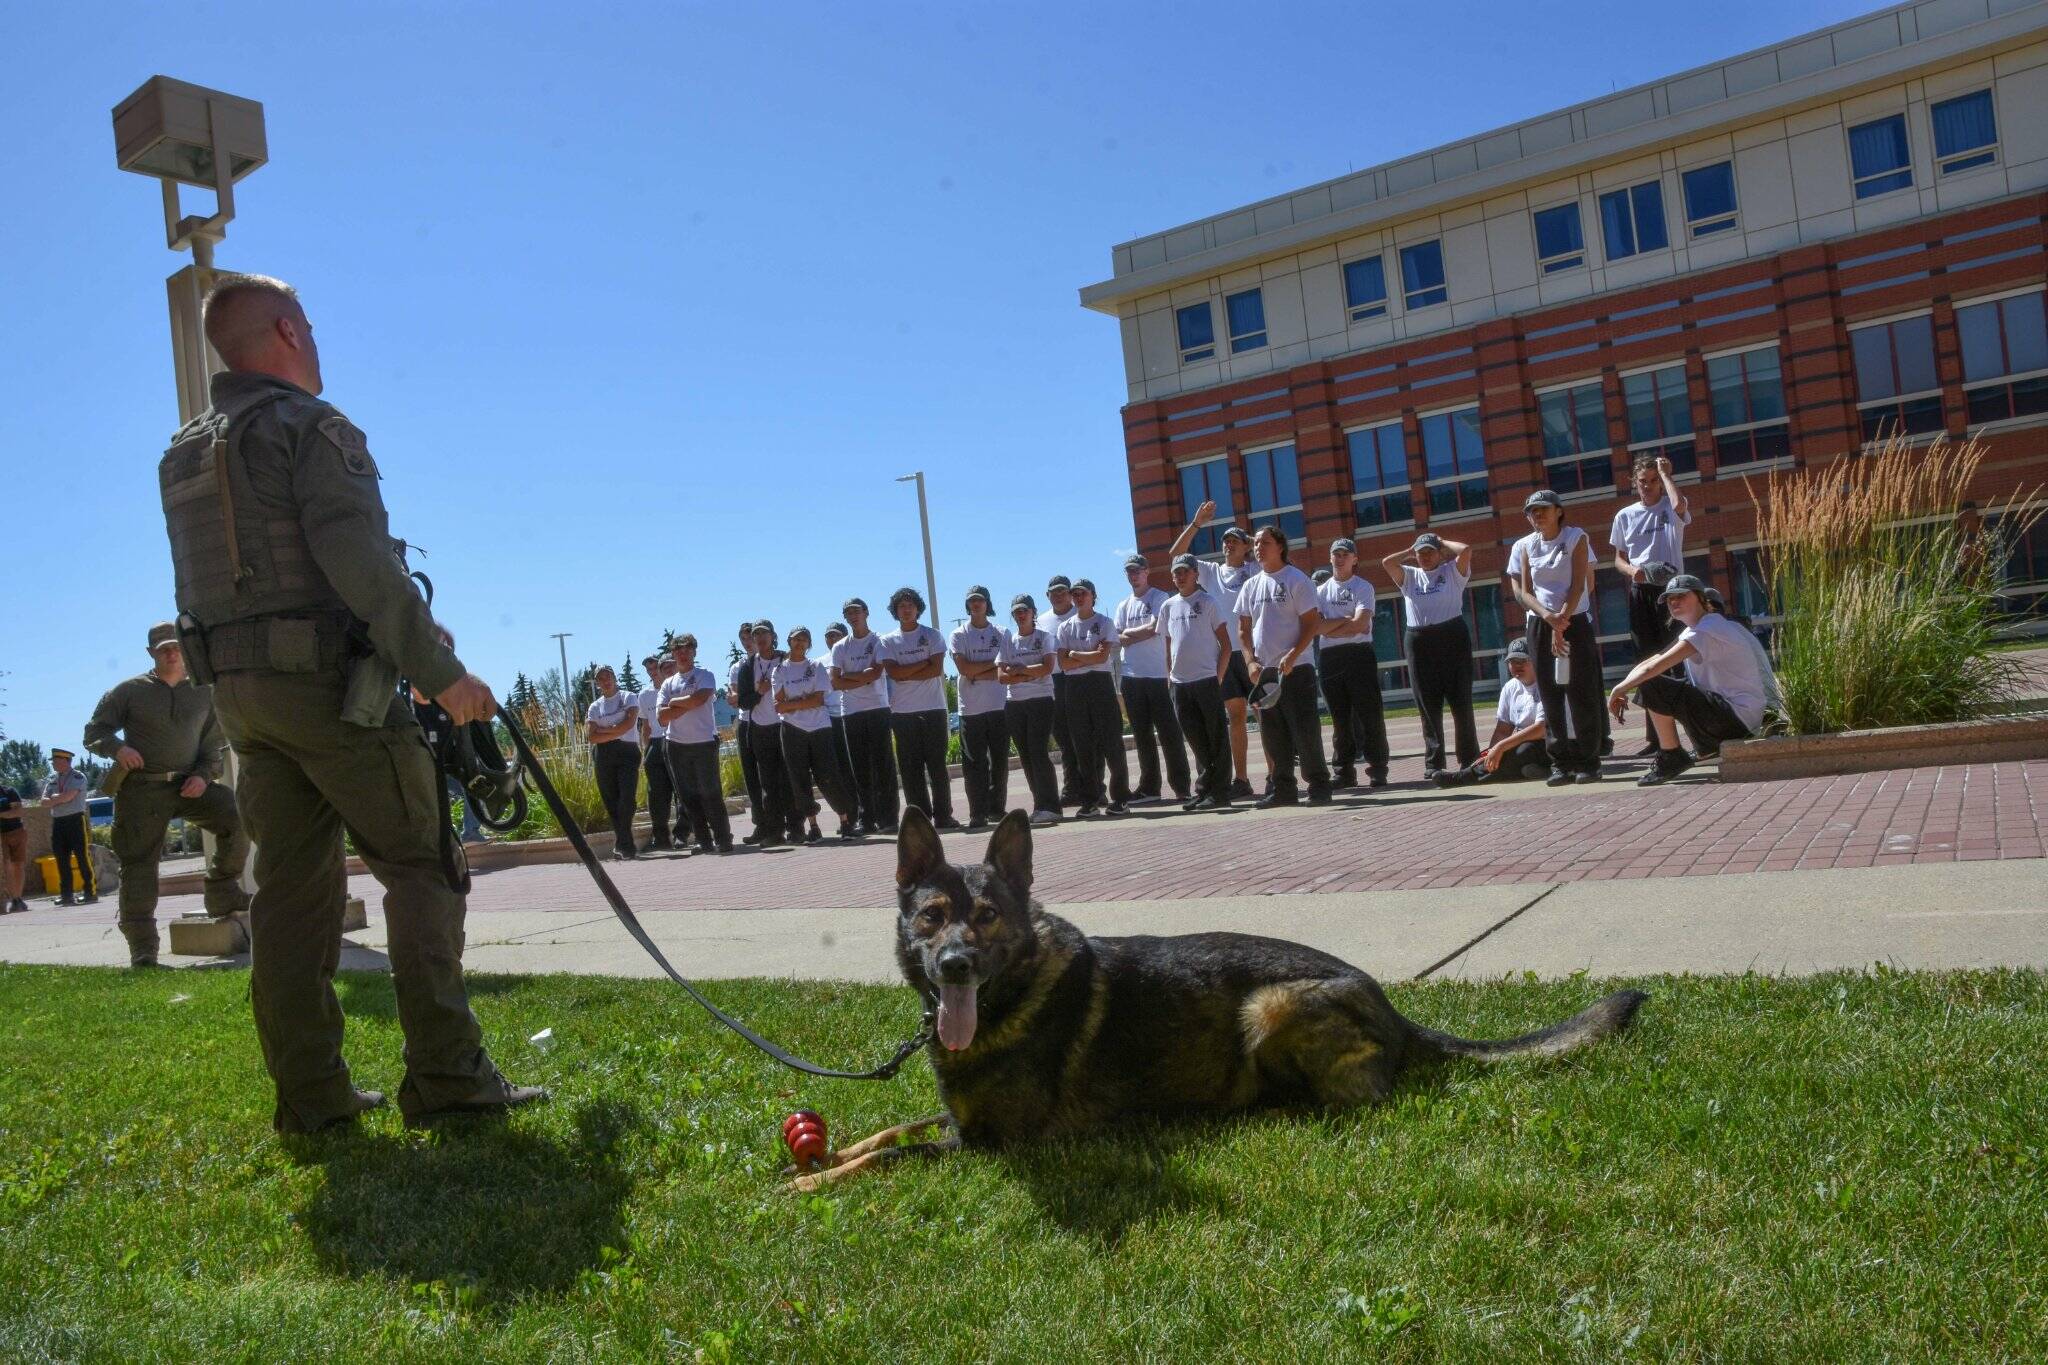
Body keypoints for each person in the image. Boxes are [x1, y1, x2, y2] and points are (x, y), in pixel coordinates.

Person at [161, 272, 538, 1130]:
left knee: (291, 895)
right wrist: (443, 674)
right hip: (334, 696)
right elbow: (359, 562)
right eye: (312, 325)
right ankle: (449, 1082)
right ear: (288, 330)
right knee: (421, 866)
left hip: (245, 708)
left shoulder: (184, 450)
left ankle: (313, 1096)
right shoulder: (311, 428)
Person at [83, 620, 251, 965]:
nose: (172, 652)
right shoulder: (129, 691)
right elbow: (95, 731)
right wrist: (117, 749)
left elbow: (213, 743)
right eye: (163, 649)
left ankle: (222, 893)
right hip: (142, 789)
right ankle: (143, 948)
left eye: (176, 646)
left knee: (240, 816)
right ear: (151, 653)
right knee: (139, 866)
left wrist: (204, 776)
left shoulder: (204, 690)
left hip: (189, 785)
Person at [1609, 574, 1780, 785]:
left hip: (1735, 720)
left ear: (1701, 598)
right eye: (1669, 599)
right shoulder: (1698, 628)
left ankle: (1671, 756)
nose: (1674, 602)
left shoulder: (1709, 628)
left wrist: (1619, 689)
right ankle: (1693, 750)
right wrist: (1623, 685)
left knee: (1652, 683)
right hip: (1734, 718)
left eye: (1681, 596)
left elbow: (1653, 668)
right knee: (1653, 680)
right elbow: (1652, 660)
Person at [1508, 489, 1603, 786]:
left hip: (1572, 619)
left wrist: (1561, 621)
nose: (1537, 515)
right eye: (1531, 511)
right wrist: (1548, 618)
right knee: (1549, 693)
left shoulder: (1576, 537)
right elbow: (1525, 591)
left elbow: (1579, 584)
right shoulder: (1524, 545)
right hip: (1541, 621)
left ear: (1558, 511)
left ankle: (1589, 761)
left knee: (1580, 691)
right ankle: (1560, 762)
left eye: (1543, 509)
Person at [1236, 527, 1333, 807]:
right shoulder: (1251, 585)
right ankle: (1283, 790)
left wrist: (1293, 655)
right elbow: (1243, 629)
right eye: (1255, 543)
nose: (1258, 547)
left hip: (1296, 669)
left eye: (1264, 542)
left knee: (1305, 732)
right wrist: (1250, 661)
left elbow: (1312, 623)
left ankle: (1319, 787)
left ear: (1280, 546)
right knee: (1273, 735)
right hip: (1264, 671)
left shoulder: (1296, 579)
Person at [1167, 503, 1258, 799]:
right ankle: (1241, 779)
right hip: (1226, 655)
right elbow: (1175, 554)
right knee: (1236, 715)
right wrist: (1196, 523)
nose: (1228, 544)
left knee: (1265, 712)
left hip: (1253, 651)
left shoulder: (1256, 569)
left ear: (1247, 546)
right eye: (1225, 540)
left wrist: (1257, 544)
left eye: (1235, 540)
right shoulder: (1212, 572)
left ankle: (1276, 775)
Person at [1609, 454, 1692, 756]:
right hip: (1641, 589)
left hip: (1671, 589)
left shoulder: (1670, 506)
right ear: (1634, 483)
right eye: (1642, 482)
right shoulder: (1625, 516)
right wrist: (1634, 571)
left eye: (1653, 481)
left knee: (1675, 658)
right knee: (1646, 661)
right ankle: (1656, 738)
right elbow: (1618, 559)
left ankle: (1690, 732)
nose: (1648, 487)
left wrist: (1667, 475)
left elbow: (1681, 506)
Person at [1382, 531, 1479, 779]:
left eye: (1429, 551)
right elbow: (1387, 563)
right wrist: (1410, 549)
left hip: (1452, 636)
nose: (1424, 556)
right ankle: (1434, 762)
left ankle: (1469, 758)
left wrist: (1443, 542)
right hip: (1420, 641)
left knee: (1461, 702)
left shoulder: (1451, 572)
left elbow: (1466, 549)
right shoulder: (1410, 575)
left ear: (1439, 553)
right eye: (1421, 553)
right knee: (1428, 706)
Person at [1114, 555, 1191, 803]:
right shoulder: (1123, 605)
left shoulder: (1159, 597)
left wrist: (1130, 634)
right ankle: (1149, 787)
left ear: (1147, 571)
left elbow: (1155, 627)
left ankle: (1181, 786)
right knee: (1142, 734)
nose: (1133, 575)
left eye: (1137, 571)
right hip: (1131, 676)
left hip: (1158, 675)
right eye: (1129, 572)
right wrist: (1133, 634)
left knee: (1170, 733)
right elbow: (1117, 638)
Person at [879, 588, 958, 828]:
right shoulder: (888, 640)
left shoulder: (932, 636)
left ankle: (944, 815)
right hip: (903, 713)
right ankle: (921, 820)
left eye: (910, 605)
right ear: (895, 610)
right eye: (901, 605)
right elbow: (894, 673)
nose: (906, 609)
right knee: (910, 770)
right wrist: (923, 662)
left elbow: (936, 669)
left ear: (917, 608)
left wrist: (909, 669)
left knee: (937, 767)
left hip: (933, 708)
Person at [1160, 553, 1233, 810]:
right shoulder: (1168, 606)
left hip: (1206, 680)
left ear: (1195, 574)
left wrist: (1219, 675)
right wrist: (1169, 676)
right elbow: (1168, 646)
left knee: (1216, 737)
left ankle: (1221, 791)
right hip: (1180, 684)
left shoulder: (1208, 601)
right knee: (1195, 739)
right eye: (1176, 573)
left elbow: (1226, 644)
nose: (1180, 577)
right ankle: (1204, 790)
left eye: (1184, 572)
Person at [1315, 538, 1390, 790]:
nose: (1339, 558)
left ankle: (1378, 768)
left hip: (1359, 655)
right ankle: (1343, 771)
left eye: (1345, 554)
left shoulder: (1363, 587)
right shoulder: (1320, 591)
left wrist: (1332, 626)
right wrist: (1345, 622)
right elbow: (1315, 627)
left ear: (1355, 559)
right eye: (1335, 553)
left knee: (1369, 713)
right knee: (1339, 717)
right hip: (1330, 658)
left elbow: (1361, 624)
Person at [1055, 577, 1133, 817]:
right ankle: (1090, 800)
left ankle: (1120, 798)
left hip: (1101, 685)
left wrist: (1076, 653)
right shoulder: (1065, 627)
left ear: (1093, 596)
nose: (1079, 598)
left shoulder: (1104, 622)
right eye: (1075, 594)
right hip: (1075, 687)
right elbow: (1064, 663)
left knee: (1112, 743)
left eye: (1083, 594)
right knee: (1082, 746)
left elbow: (1102, 658)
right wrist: (1086, 654)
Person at [775, 627, 857, 842]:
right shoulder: (780, 670)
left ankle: (845, 821)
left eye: (804, 640)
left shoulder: (816, 666)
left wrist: (794, 703)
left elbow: (818, 699)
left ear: (809, 644)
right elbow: (779, 706)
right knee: (799, 779)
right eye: (795, 639)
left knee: (829, 776)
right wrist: (802, 701)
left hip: (820, 727)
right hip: (792, 730)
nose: (799, 643)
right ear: (789, 641)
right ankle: (813, 826)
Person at [1433, 639, 1550, 787]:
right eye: (1512, 662)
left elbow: (1540, 729)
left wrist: (1500, 748)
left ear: (1535, 660)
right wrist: (1490, 754)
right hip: (1521, 742)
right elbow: (1502, 730)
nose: (1516, 666)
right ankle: (1531, 771)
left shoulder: (1546, 684)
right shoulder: (1510, 688)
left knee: (1521, 751)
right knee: (1498, 757)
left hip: (1548, 744)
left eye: (1522, 661)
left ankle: (1462, 778)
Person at [658, 634, 732, 854]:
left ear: (694, 652)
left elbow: (700, 699)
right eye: (678, 649)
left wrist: (674, 702)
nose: (682, 652)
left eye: (687, 648)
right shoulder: (668, 683)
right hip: (676, 745)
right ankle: (703, 840)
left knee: (710, 792)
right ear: (673, 654)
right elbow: (662, 717)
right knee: (688, 796)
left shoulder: (705, 675)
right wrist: (685, 703)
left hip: (703, 742)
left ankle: (723, 838)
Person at [830, 599, 898, 834]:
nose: (853, 615)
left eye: (857, 611)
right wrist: (862, 676)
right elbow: (835, 682)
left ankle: (889, 818)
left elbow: (877, 672)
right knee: (860, 769)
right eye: (848, 612)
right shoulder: (840, 647)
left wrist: (851, 676)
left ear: (866, 613)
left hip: (877, 708)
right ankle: (866, 819)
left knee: (884, 766)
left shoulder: (878, 640)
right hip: (851, 712)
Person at [949, 586, 1010, 829]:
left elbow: (1005, 668)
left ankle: (997, 809)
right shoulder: (959, 634)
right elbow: (964, 669)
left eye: (980, 600)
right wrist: (991, 668)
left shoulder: (1003, 632)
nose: (976, 604)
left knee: (999, 761)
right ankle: (978, 812)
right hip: (970, 710)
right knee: (974, 763)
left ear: (987, 603)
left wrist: (980, 670)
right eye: (972, 601)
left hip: (999, 706)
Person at [997, 593, 1061, 826]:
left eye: (1025, 610)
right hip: (1015, 703)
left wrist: (1020, 670)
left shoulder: (1044, 637)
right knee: (1025, 755)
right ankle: (1039, 804)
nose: (1021, 615)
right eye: (1016, 612)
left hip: (1041, 700)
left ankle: (1051, 805)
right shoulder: (1008, 641)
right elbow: (1002, 677)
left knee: (1037, 751)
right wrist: (1025, 672)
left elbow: (1046, 668)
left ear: (1033, 612)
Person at [748, 622, 805, 846]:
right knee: (769, 784)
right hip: (761, 729)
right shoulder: (748, 665)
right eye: (756, 634)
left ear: (773, 636)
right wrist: (757, 692)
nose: (760, 637)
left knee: (790, 779)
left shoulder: (786, 659)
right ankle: (774, 831)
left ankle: (796, 828)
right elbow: (743, 701)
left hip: (787, 725)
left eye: (764, 633)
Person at [584, 665, 642, 859]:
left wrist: (605, 731)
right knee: (611, 800)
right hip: (604, 755)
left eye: (608, 676)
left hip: (627, 751)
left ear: (614, 677)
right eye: (601, 679)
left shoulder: (628, 697)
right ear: (597, 683)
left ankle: (623, 842)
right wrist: (615, 730)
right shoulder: (595, 706)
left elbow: (629, 725)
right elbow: (591, 736)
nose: (605, 681)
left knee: (627, 799)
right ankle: (626, 845)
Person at [1042, 575, 1085, 807]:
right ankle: (1071, 789)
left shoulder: (1081, 615)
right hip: (1054, 682)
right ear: (1047, 596)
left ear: (1070, 593)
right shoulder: (1041, 621)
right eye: (1053, 592)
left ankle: (1093, 788)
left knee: (1086, 737)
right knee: (1065, 740)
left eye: (1062, 591)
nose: (1058, 596)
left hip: (1079, 679)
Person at [728, 622, 770, 844]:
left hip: (769, 722)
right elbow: (735, 697)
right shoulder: (739, 666)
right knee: (752, 778)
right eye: (743, 638)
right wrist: (752, 693)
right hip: (746, 723)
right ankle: (761, 825)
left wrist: (747, 694)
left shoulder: (773, 661)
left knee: (771, 776)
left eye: (750, 637)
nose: (747, 642)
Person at [638, 652, 683, 851]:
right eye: (648, 669)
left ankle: (682, 833)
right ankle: (661, 836)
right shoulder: (645, 694)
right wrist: (645, 749)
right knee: (656, 793)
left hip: (675, 738)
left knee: (681, 790)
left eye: (655, 667)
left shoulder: (674, 687)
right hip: (656, 743)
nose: (652, 672)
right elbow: (646, 725)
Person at [40, 749, 95, 906]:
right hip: (58, 822)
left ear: (65, 760)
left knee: (81, 857)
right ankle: (66, 895)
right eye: (53, 761)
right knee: (61, 859)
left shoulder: (77, 777)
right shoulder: (51, 780)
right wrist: (59, 799)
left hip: (75, 820)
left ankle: (89, 892)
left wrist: (56, 798)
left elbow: (69, 796)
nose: (53, 764)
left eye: (56, 761)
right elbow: (43, 802)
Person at [0, 781, 26, 914]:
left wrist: (2, 814)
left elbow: (18, 811)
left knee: (18, 865)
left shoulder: (9, 791)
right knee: (7, 865)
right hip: (1, 834)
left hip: (16, 831)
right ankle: (13, 899)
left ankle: (18, 898)